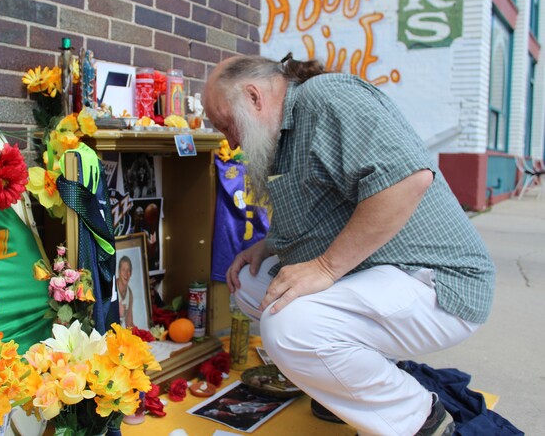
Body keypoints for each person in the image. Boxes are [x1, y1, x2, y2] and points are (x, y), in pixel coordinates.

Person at [203, 55, 495, 436]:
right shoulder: (283, 133)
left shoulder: (328, 97)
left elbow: (407, 182)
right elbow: (325, 212)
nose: (232, 142)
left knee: (289, 325)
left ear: (255, 97)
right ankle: (353, 391)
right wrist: (269, 245)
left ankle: (420, 418)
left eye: (228, 125)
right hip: (383, 272)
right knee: (251, 282)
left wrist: (325, 269)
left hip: (437, 280)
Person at [116, 255, 134, 328]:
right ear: (119, 271)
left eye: (128, 270)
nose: (126, 274)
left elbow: (129, 325)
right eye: (123, 270)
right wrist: (116, 311)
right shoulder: (112, 288)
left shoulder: (129, 294)